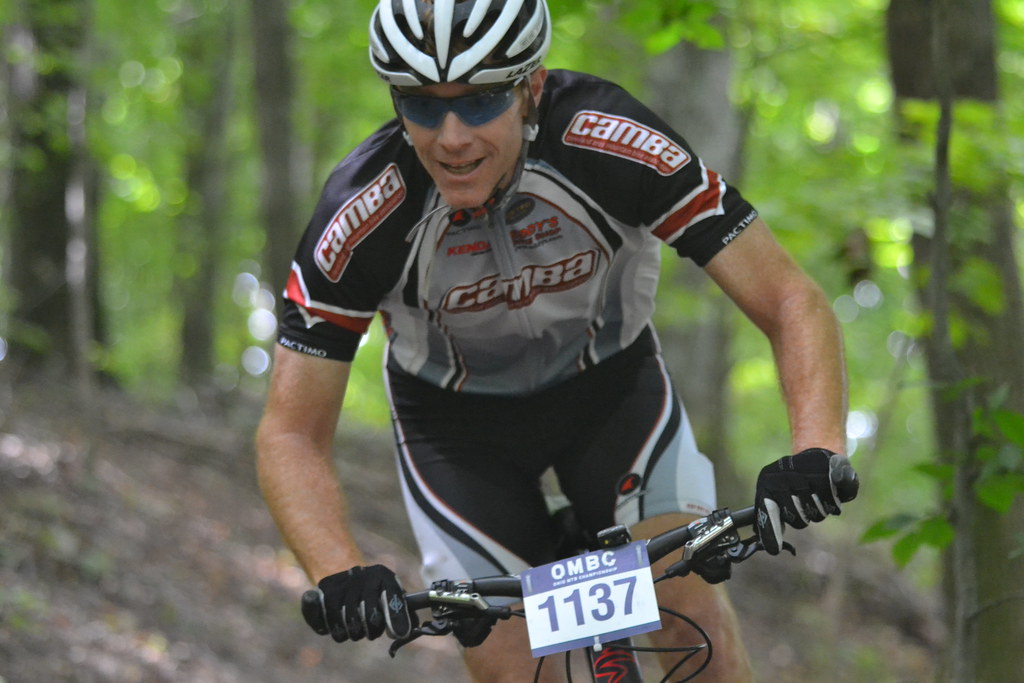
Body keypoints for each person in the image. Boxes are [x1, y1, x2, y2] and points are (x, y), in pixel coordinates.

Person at [255, 0, 858, 680]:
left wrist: (818, 446)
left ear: (531, 87)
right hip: (457, 434)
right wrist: (339, 570)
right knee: (509, 664)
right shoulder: (363, 212)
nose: (450, 136)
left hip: (611, 395)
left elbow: (789, 297)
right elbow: (290, 432)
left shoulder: (606, 141)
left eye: (481, 102)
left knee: (695, 623)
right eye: (422, 105)